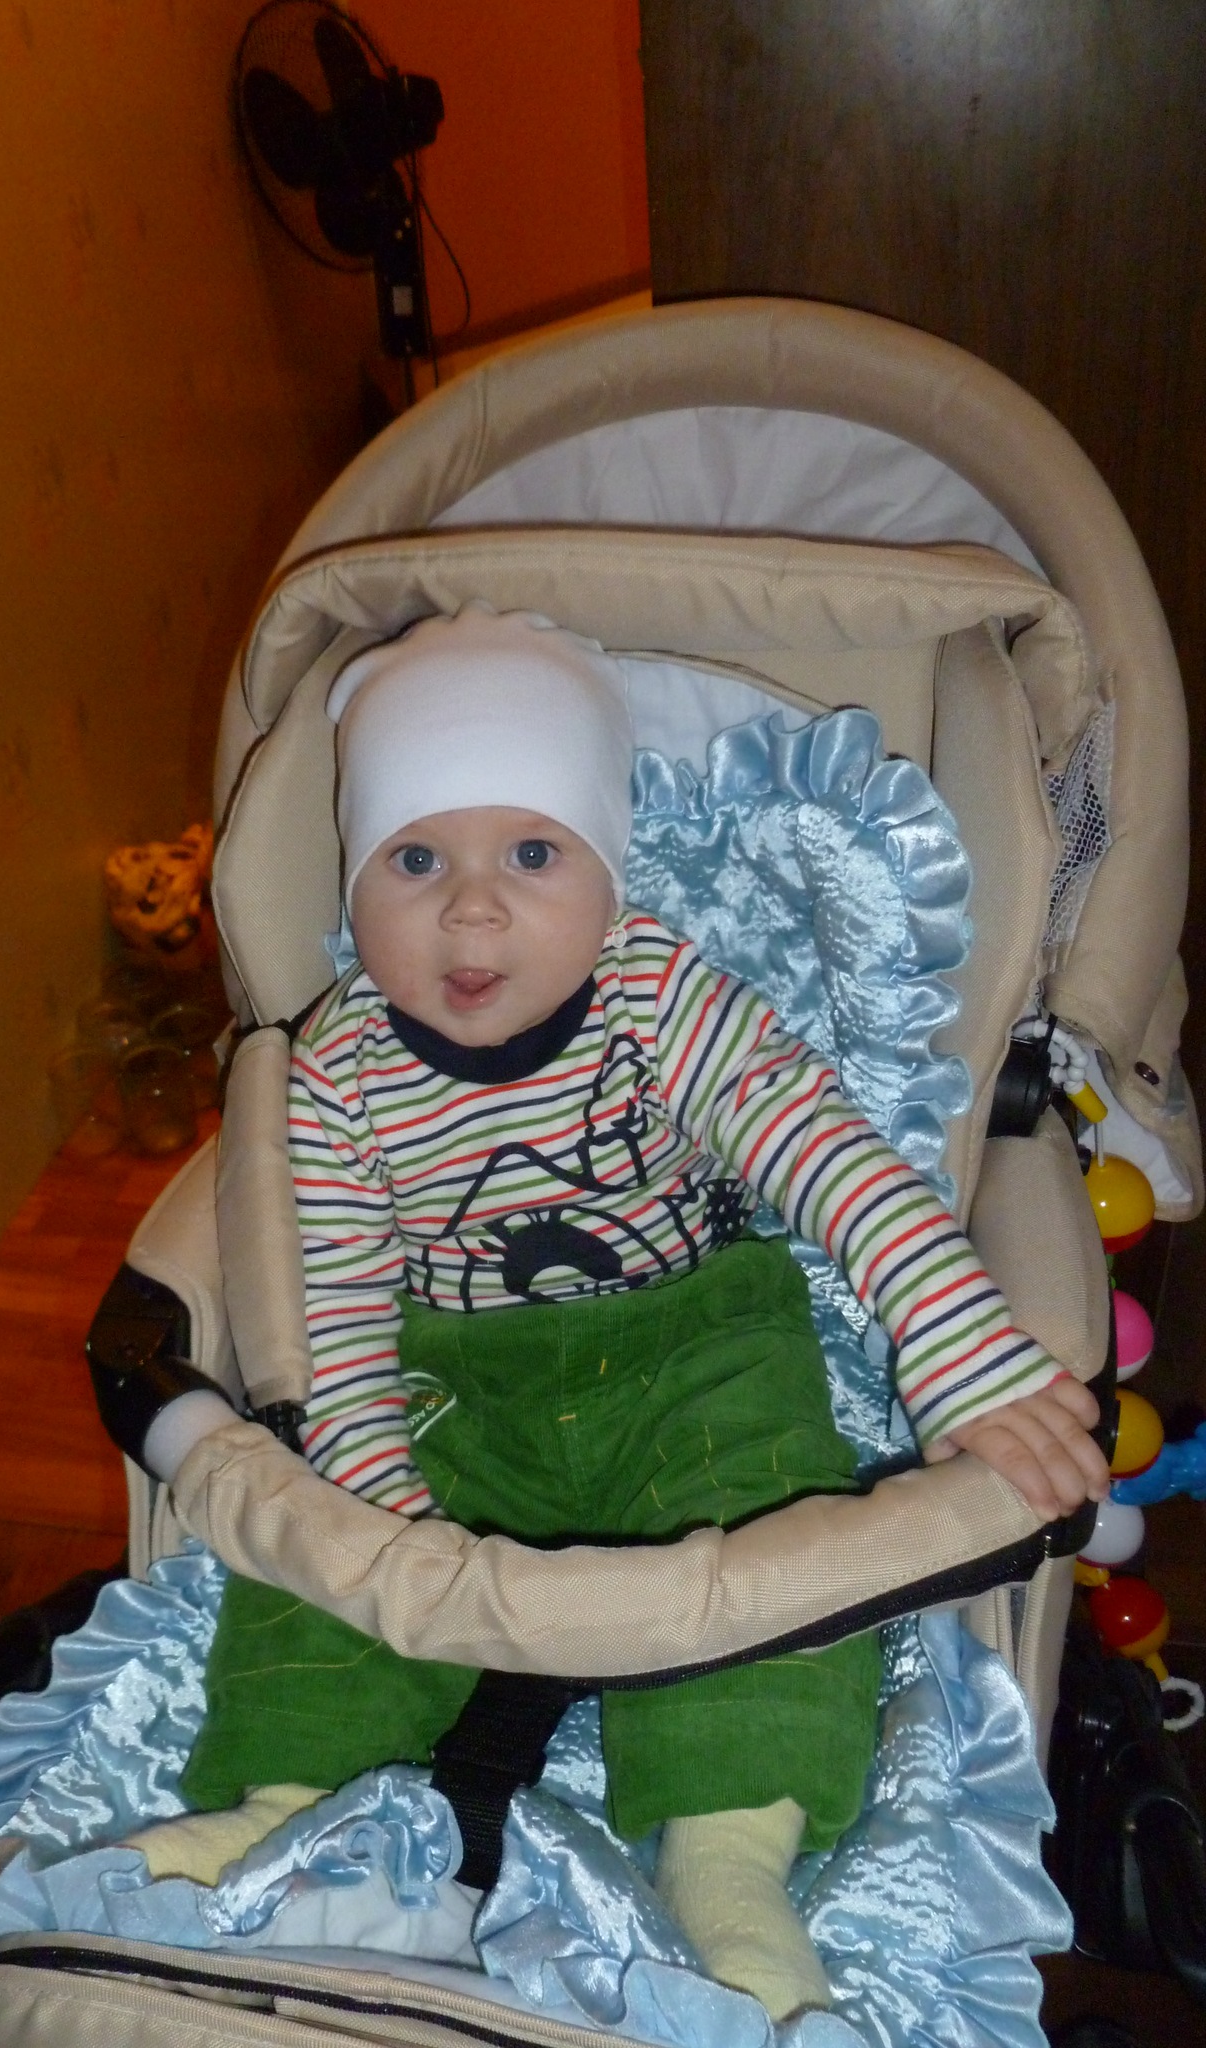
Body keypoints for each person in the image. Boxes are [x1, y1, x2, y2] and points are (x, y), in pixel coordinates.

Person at [120, 610, 1111, 2020]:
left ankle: (728, 1859)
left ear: (607, 869)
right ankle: (288, 1804)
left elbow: (828, 1157)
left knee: (778, 1532)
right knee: (309, 1556)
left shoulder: (660, 998)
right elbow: (334, 1317)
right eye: (416, 860)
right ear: (353, 879)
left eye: (533, 855)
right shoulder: (331, 1075)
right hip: (453, 1382)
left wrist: (961, 1358)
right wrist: (386, 1538)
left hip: (690, 1344)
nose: (473, 912)